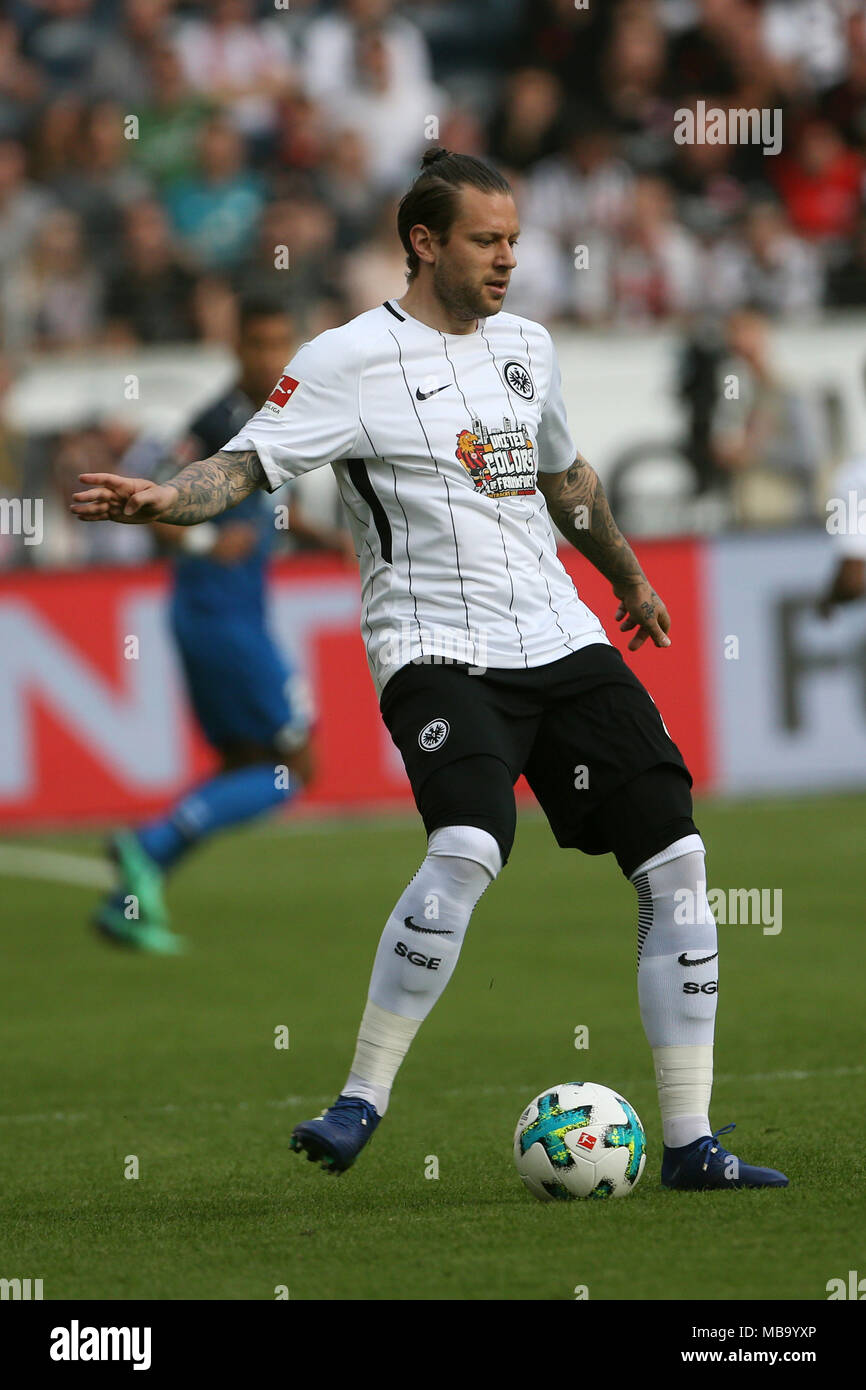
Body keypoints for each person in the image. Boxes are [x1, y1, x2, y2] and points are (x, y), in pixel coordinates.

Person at [72, 148, 787, 1190]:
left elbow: (564, 476)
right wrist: (162, 499)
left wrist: (626, 576)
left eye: (513, 241)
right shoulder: (344, 359)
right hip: (434, 649)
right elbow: (246, 461)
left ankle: (690, 1144)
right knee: (467, 841)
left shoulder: (527, 346)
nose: (506, 260)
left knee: (675, 861)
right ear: (423, 241)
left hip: (562, 636)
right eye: (485, 241)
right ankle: (360, 1096)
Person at [91, 299, 335, 953]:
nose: (272, 357)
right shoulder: (214, 424)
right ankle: (148, 842)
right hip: (217, 618)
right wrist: (202, 547)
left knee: (243, 763)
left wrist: (318, 538)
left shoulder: (278, 416)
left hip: (232, 616)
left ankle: (131, 900)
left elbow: (264, 507)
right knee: (295, 766)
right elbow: (154, 512)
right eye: (258, 343)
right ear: (234, 349)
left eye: (283, 341)